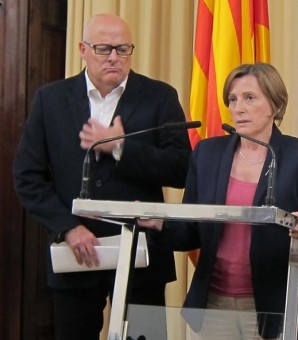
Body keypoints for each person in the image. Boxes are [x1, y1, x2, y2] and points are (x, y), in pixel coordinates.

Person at [12, 13, 192, 339]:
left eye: (123, 49)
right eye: (104, 48)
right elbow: (27, 176)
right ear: (82, 49)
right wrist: (67, 227)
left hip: (142, 254)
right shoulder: (51, 99)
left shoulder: (160, 96)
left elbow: (182, 169)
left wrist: (123, 148)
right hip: (77, 255)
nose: (114, 57)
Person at [139, 62, 298, 339]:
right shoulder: (207, 153)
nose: (238, 107)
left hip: (275, 306)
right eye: (232, 99)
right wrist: (159, 223)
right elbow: (188, 233)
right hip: (213, 306)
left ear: (275, 106)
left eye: (249, 98)